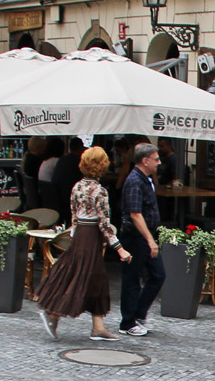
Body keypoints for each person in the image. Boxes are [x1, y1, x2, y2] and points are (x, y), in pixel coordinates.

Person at [35, 146, 133, 342]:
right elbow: (104, 224)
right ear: (102, 165)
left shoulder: (77, 187)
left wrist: (72, 237)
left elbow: (74, 217)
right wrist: (120, 249)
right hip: (90, 237)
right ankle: (53, 314)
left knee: (94, 279)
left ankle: (98, 327)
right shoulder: (100, 191)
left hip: (80, 234)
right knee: (82, 278)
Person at [118, 141, 165, 336]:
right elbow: (135, 214)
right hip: (135, 237)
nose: (159, 162)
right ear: (145, 160)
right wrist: (150, 239)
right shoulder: (134, 181)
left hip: (145, 236)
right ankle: (127, 322)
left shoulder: (145, 179)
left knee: (158, 274)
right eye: (155, 159)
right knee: (132, 279)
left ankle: (138, 314)